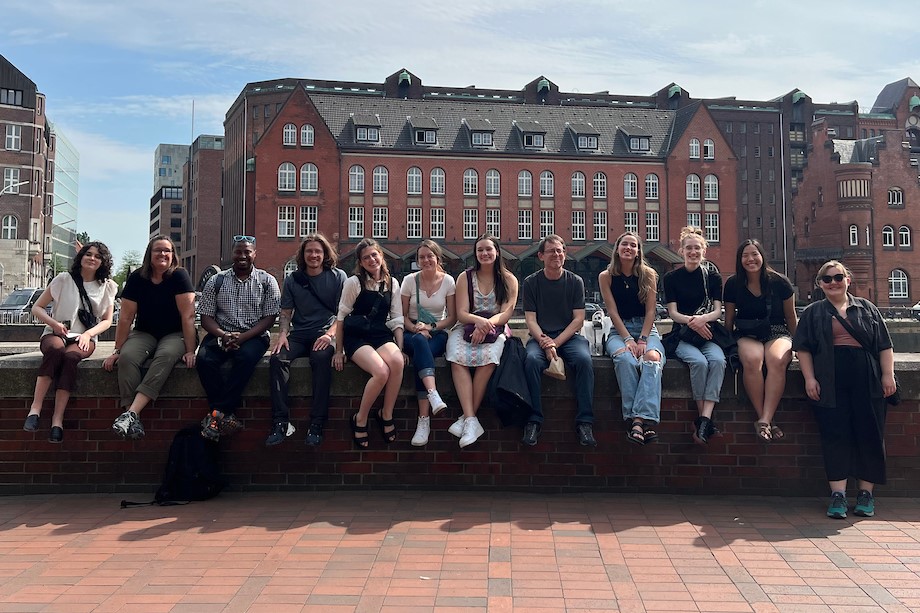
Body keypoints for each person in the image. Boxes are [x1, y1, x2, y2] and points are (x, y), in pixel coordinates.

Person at [793, 261, 896, 519]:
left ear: (848, 279)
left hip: (867, 377)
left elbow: (884, 345)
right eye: (827, 279)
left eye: (838, 277)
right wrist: (809, 379)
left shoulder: (866, 308)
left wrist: (888, 375)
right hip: (829, 378)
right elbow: (803, 348)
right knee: (834, 433)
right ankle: (838, 495)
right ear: (819, 285)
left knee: (869, 432)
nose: (833, 282)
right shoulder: (814, 312)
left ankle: (866, 493)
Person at [103, 236, 197, 440]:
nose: (163, 254)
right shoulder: (138, 278)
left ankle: (131, 413)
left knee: (165, 355)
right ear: (149, 254)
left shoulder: (179, 276)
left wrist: (190, 350)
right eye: (158, 250)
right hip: (145, 332)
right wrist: (118, 350)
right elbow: (126, 318)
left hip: (175, 333)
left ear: (173, 255)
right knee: (127, 358)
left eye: (167, 250)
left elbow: (188, 316)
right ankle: (131, 416)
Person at [23, 242, 118, 443]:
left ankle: (57, 419)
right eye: (88, 254)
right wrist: (55, 324)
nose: (92, 258)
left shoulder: (107, 286)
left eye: (97, 256)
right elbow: (37, 308)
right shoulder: (63, 279)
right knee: (56, 351)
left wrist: (87, 334)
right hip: (56, 332)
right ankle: (35, 409)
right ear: (81, 257)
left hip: (85, 337)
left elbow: (108, 320)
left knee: (71, 357)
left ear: (103, 262)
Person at [196, 236, 281, 441]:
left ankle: (217, 414)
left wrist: (242, 337)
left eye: (247, 252)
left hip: (254, 335)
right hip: (220, 333)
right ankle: (224, 414)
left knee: (245, 359)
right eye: (238, 252)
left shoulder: (267, 281)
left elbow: (269, 318)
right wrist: (224, 335)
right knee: (205, 360)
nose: (242, 256)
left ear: (254, 254)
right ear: (231, 254)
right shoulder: (216, 281)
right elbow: (206, 316)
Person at [268, 234, 346, 447]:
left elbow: (343, 314)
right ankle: (281, 421)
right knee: (277, 359)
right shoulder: (294, 279)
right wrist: (283, 333)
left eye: (318, 251)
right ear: (303, 255)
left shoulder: (338, 277)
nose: (313, 255)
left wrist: (329, 334)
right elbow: (286, 312)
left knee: (321, 359)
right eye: (309, 251)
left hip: (324, 333)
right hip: (300, 334)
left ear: (325, 254)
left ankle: (317, 423)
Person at [521, 235, 596, 447]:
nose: (556, 254)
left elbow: (578, 319)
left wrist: (555, 343)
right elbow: (530, 320)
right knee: (532, 361)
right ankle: (534, 420)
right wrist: (545, 341)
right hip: (540, 337)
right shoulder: (531, 282)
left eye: (560, 250)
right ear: (541, 256)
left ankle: (585, 422)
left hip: (569, 338)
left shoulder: (575, 281)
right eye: (551, 251)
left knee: (584, 361)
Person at [445, 233, 518, 448]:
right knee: (455, 356)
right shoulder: (465, 277)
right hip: (468, 325)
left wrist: (487, 325)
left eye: (488, 249)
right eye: (480, 250)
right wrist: (479, 322)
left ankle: (467, 418)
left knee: (489, 358)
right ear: (475, 254)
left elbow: (506, 314)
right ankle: (471, 419)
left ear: (497, 252)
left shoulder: (509, 279)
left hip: (496, 327)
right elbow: (461, 313)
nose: (484, 253)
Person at [332, 238, 405, 448]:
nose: (372, 259)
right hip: (357, 336)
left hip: (380, 334)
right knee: (381, 372)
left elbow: (397, 318)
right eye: (366, 257)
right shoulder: (354, 283)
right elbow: (341, 317)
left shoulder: (392, 283)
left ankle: (386, 413)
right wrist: (338, 350)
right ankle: (361, 418)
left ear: (381, 256)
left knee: (397, 362)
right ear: (361, 263)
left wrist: (399, 348)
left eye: (375, 255)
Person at [723, 239, 797, 443]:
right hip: (747, 332)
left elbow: (791, 317)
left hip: (776, 330)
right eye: (745, 255)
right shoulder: (732, 283)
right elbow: (728, 319)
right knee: (753, 360)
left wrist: (799, 344)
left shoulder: (780, 282)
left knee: (777, 360)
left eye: (754, 254)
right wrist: (726, 344)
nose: (750, 259)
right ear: (740, 260)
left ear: (762, 256)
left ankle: (764, 420)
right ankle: (766, 420)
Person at [599, 231, 665, 445]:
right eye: (624, 244)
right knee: (625, 359)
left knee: (652, 358)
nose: (628, 248)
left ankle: (637, 421)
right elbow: (612, 312)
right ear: (617, 249)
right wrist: (628, 339)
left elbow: (650, 312)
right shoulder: (606, 276)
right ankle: (639, 420)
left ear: (638, 251)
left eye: (633, 245)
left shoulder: (649, 275)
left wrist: (643, 339)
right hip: (620, 330)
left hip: (647, 330)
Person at [663, 226, 726, 445]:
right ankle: (705, 421)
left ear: (704, 250)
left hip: (707, 332)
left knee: (718, 360)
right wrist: (693, 322)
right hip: (682, 334)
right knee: (699, 363)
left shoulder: (713, 277)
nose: (693, 252)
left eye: (697, 248)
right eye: (688, 248)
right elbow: (672, 313)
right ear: (681, 251)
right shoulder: (671, 277)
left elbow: (718, 311)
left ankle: (703, 419)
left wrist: (702, 321)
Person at [400, 240, 457, 446]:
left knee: (420, 352)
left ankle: (424, 420)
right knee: (418, 342)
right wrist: (417, 328)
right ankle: (432, 396)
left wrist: (430, 328)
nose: (426, 260)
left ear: (437, 258)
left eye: (429, 256)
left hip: (437, 333)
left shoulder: (449, 281)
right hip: (412, 332)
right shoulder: (409, 281)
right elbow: (402, 315)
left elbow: (452, 318)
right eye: (421, 257)